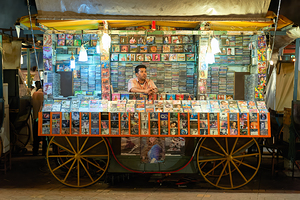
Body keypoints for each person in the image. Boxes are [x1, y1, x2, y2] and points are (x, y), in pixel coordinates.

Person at [32, 84, 47, 156]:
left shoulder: (34, 95)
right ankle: (44, 152)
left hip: (35, 118)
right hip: (43, 118)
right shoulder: (44, 95)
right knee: (45, 137)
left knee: (36, 137)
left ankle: (35, 151)